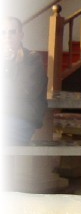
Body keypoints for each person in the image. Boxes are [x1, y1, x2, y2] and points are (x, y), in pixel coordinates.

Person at [2, 16, 48, 144]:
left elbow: (25, 91)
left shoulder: (32, 59)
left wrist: (7, 64)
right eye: (3, 32)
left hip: (21, 117)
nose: (7, 36)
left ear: (21, 35)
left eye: (12, 32)